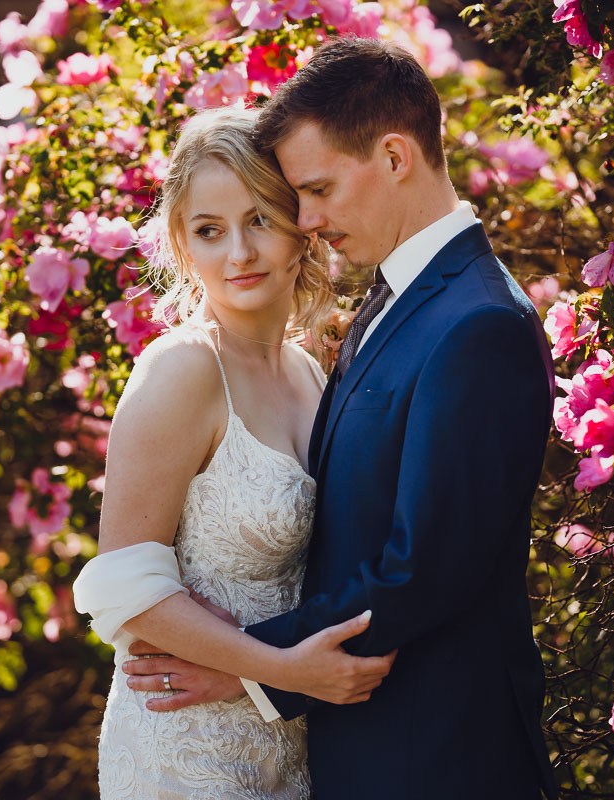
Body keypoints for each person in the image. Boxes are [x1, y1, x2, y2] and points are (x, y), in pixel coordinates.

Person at [123, 39, 559, 799]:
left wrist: (247, 667)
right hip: (337, 749)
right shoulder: (398, 298)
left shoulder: (476, 321)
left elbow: (421, 569)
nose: (310, 220)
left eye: (316, 190)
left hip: (438, 757)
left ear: (395, 157)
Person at [71, 105, 395, 799]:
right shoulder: (183, 370)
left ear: (301, 228)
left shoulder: (309, 374)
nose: (239, 255)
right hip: (188, 751)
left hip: (292, 743)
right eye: (210, 231)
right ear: (183, 247)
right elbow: (123, 589)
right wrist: (282, 671)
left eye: (259, 220)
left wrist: (276, 681)